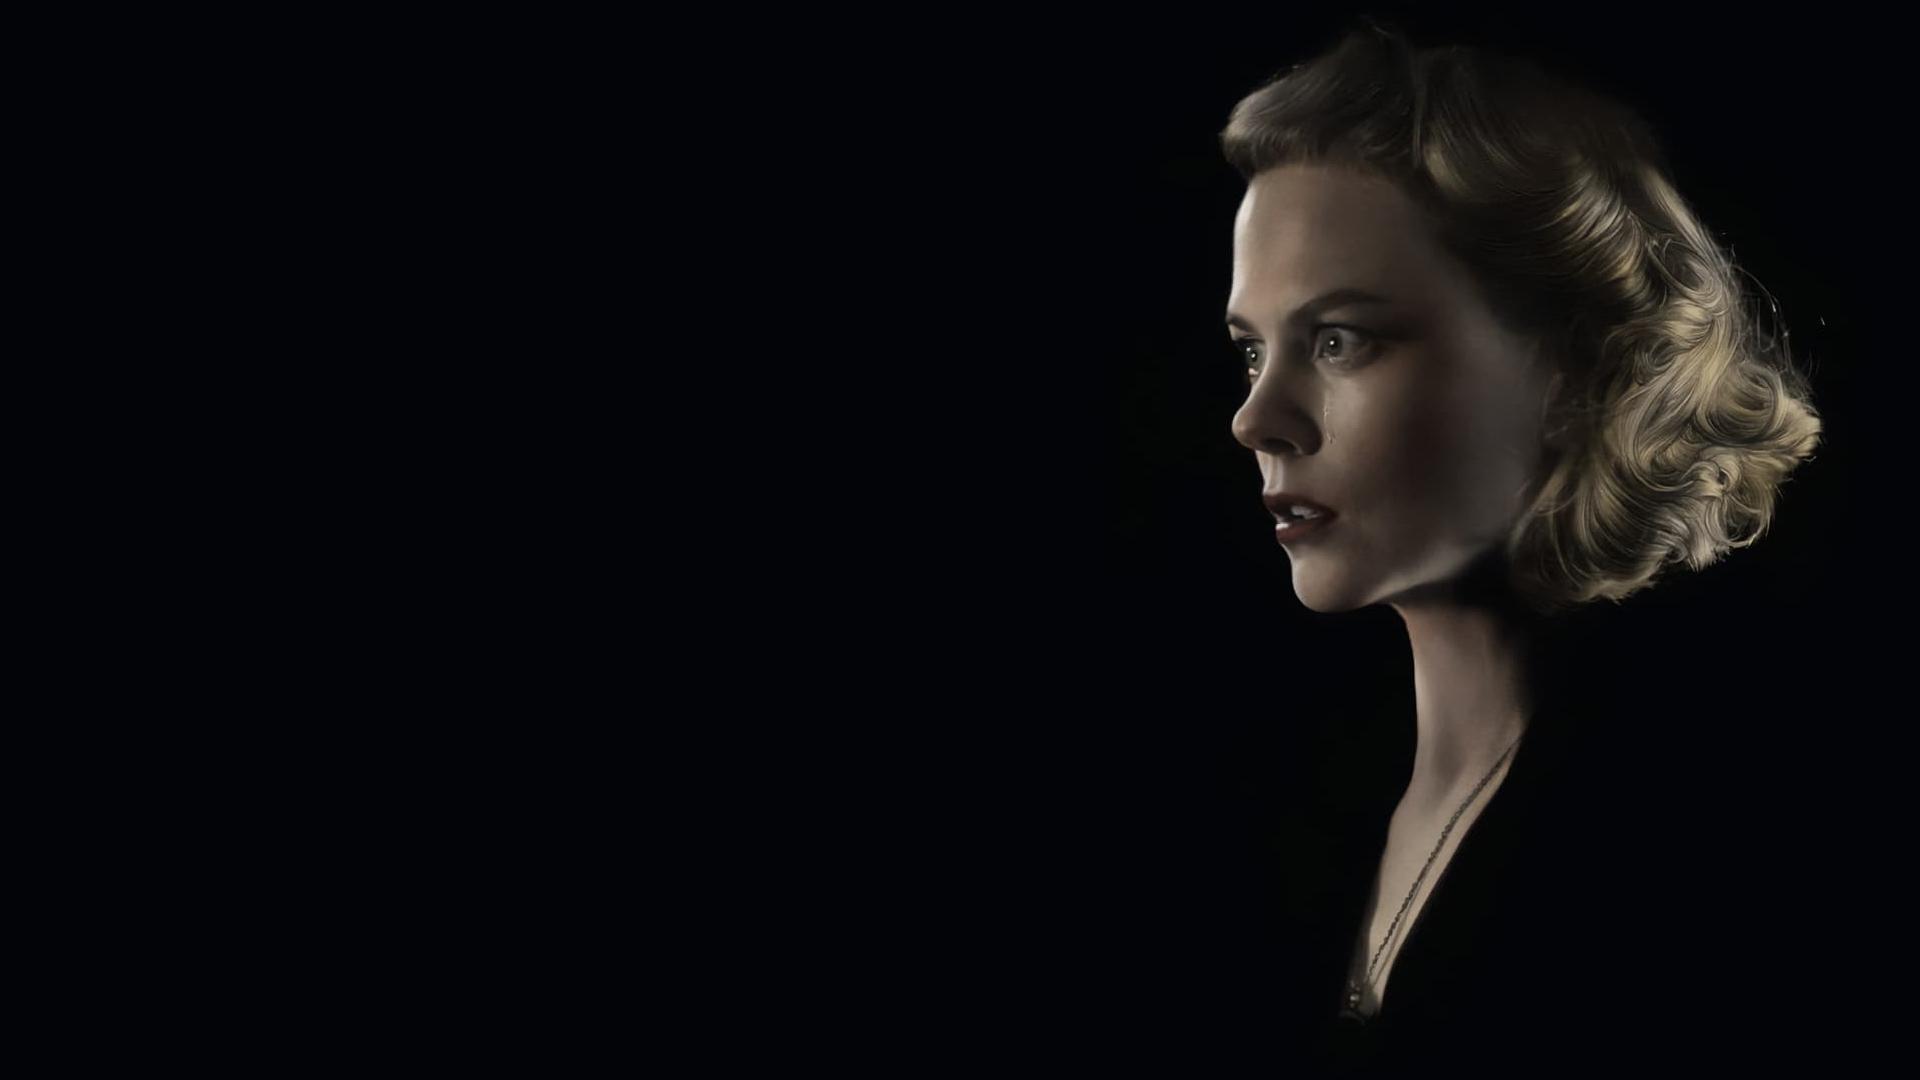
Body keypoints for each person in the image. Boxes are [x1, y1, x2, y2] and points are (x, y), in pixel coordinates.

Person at [1216, 18, 1823, 1073]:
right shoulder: (1295, 802)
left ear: (1578, 366)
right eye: (1252, 352)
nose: (1256, 419)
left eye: (1340, 341)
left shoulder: (1729, 830)